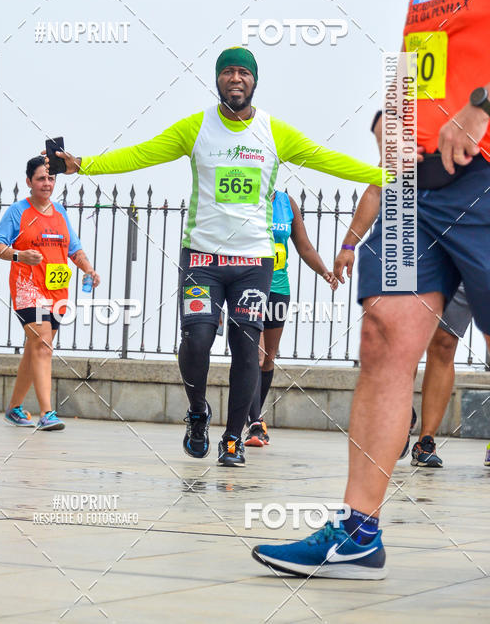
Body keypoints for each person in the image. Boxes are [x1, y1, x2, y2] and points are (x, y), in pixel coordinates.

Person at [253, 0, 490, 578]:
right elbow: (419, 66)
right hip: (416, 188)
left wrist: (481, 108)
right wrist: (392, 114)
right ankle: (358, 531)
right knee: (384, 334)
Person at [50, 46, 385, 466]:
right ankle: (197, 412)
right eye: (228, 72)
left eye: (244, 72)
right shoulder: (196, 127)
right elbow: (140, 153)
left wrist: (391, 176)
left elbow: (329, 160)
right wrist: (83, 165)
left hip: (254, 262)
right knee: (197, 340)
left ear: (255, 81)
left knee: (246, 347)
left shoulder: (274, 132)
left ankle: (233, 438)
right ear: (218, 80)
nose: (236, 78)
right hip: (202, 258)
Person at [334, 112, 483, 469]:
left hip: (472, 247)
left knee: (444, 343)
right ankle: (399, 416)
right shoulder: (419, 133)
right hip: (417, 248)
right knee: (401, 343)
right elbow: (376, 188)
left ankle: (426, 440)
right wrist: (349, 245)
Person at [0, 157, 99, 430]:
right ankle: (47, 414)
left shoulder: (60, 212)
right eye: (41, 178)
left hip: (56, 291)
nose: (47, 183)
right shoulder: (18, 211)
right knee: (43, 345)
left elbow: (74, 249)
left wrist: (89, 269)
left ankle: (14, 409)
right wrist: (19, 255)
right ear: (28, 182)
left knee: (35, 348)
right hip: (28, 289)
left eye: (50, 178)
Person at [245, 190, 338, 448]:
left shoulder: (287, 203)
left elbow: (304, 246)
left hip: (278, 287)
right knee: (257, 355)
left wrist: (324, 271)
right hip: (249, 285)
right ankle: (255, 422)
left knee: (269, 358)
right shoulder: (247, 196)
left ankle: (254, 416)